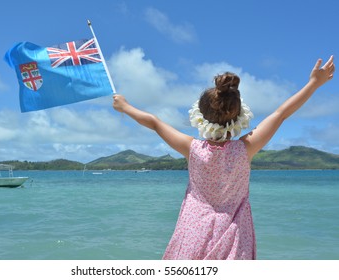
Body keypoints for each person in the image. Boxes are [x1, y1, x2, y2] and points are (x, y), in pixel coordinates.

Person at [112, 56, 335, 260]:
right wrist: (314, 83)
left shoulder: (192, 149)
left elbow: (153, 122)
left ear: (199, 118)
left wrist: (125, 106)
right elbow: (281, 113)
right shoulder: (245, 149)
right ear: (239, 118)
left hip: (193, 229)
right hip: (236, 234)